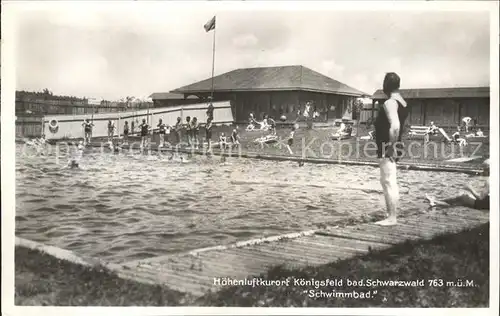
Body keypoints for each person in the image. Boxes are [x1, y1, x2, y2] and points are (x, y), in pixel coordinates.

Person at [373, 72, 409, 226]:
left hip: (388, 145)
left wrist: (390, 148)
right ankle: (391, 214)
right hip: (395, 144)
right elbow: (402, 127)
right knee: (388, 180)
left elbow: (395, 126)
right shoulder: (402, 102)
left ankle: (392, 217)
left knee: (388, 181)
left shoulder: (390, 103)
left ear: (386, 85)